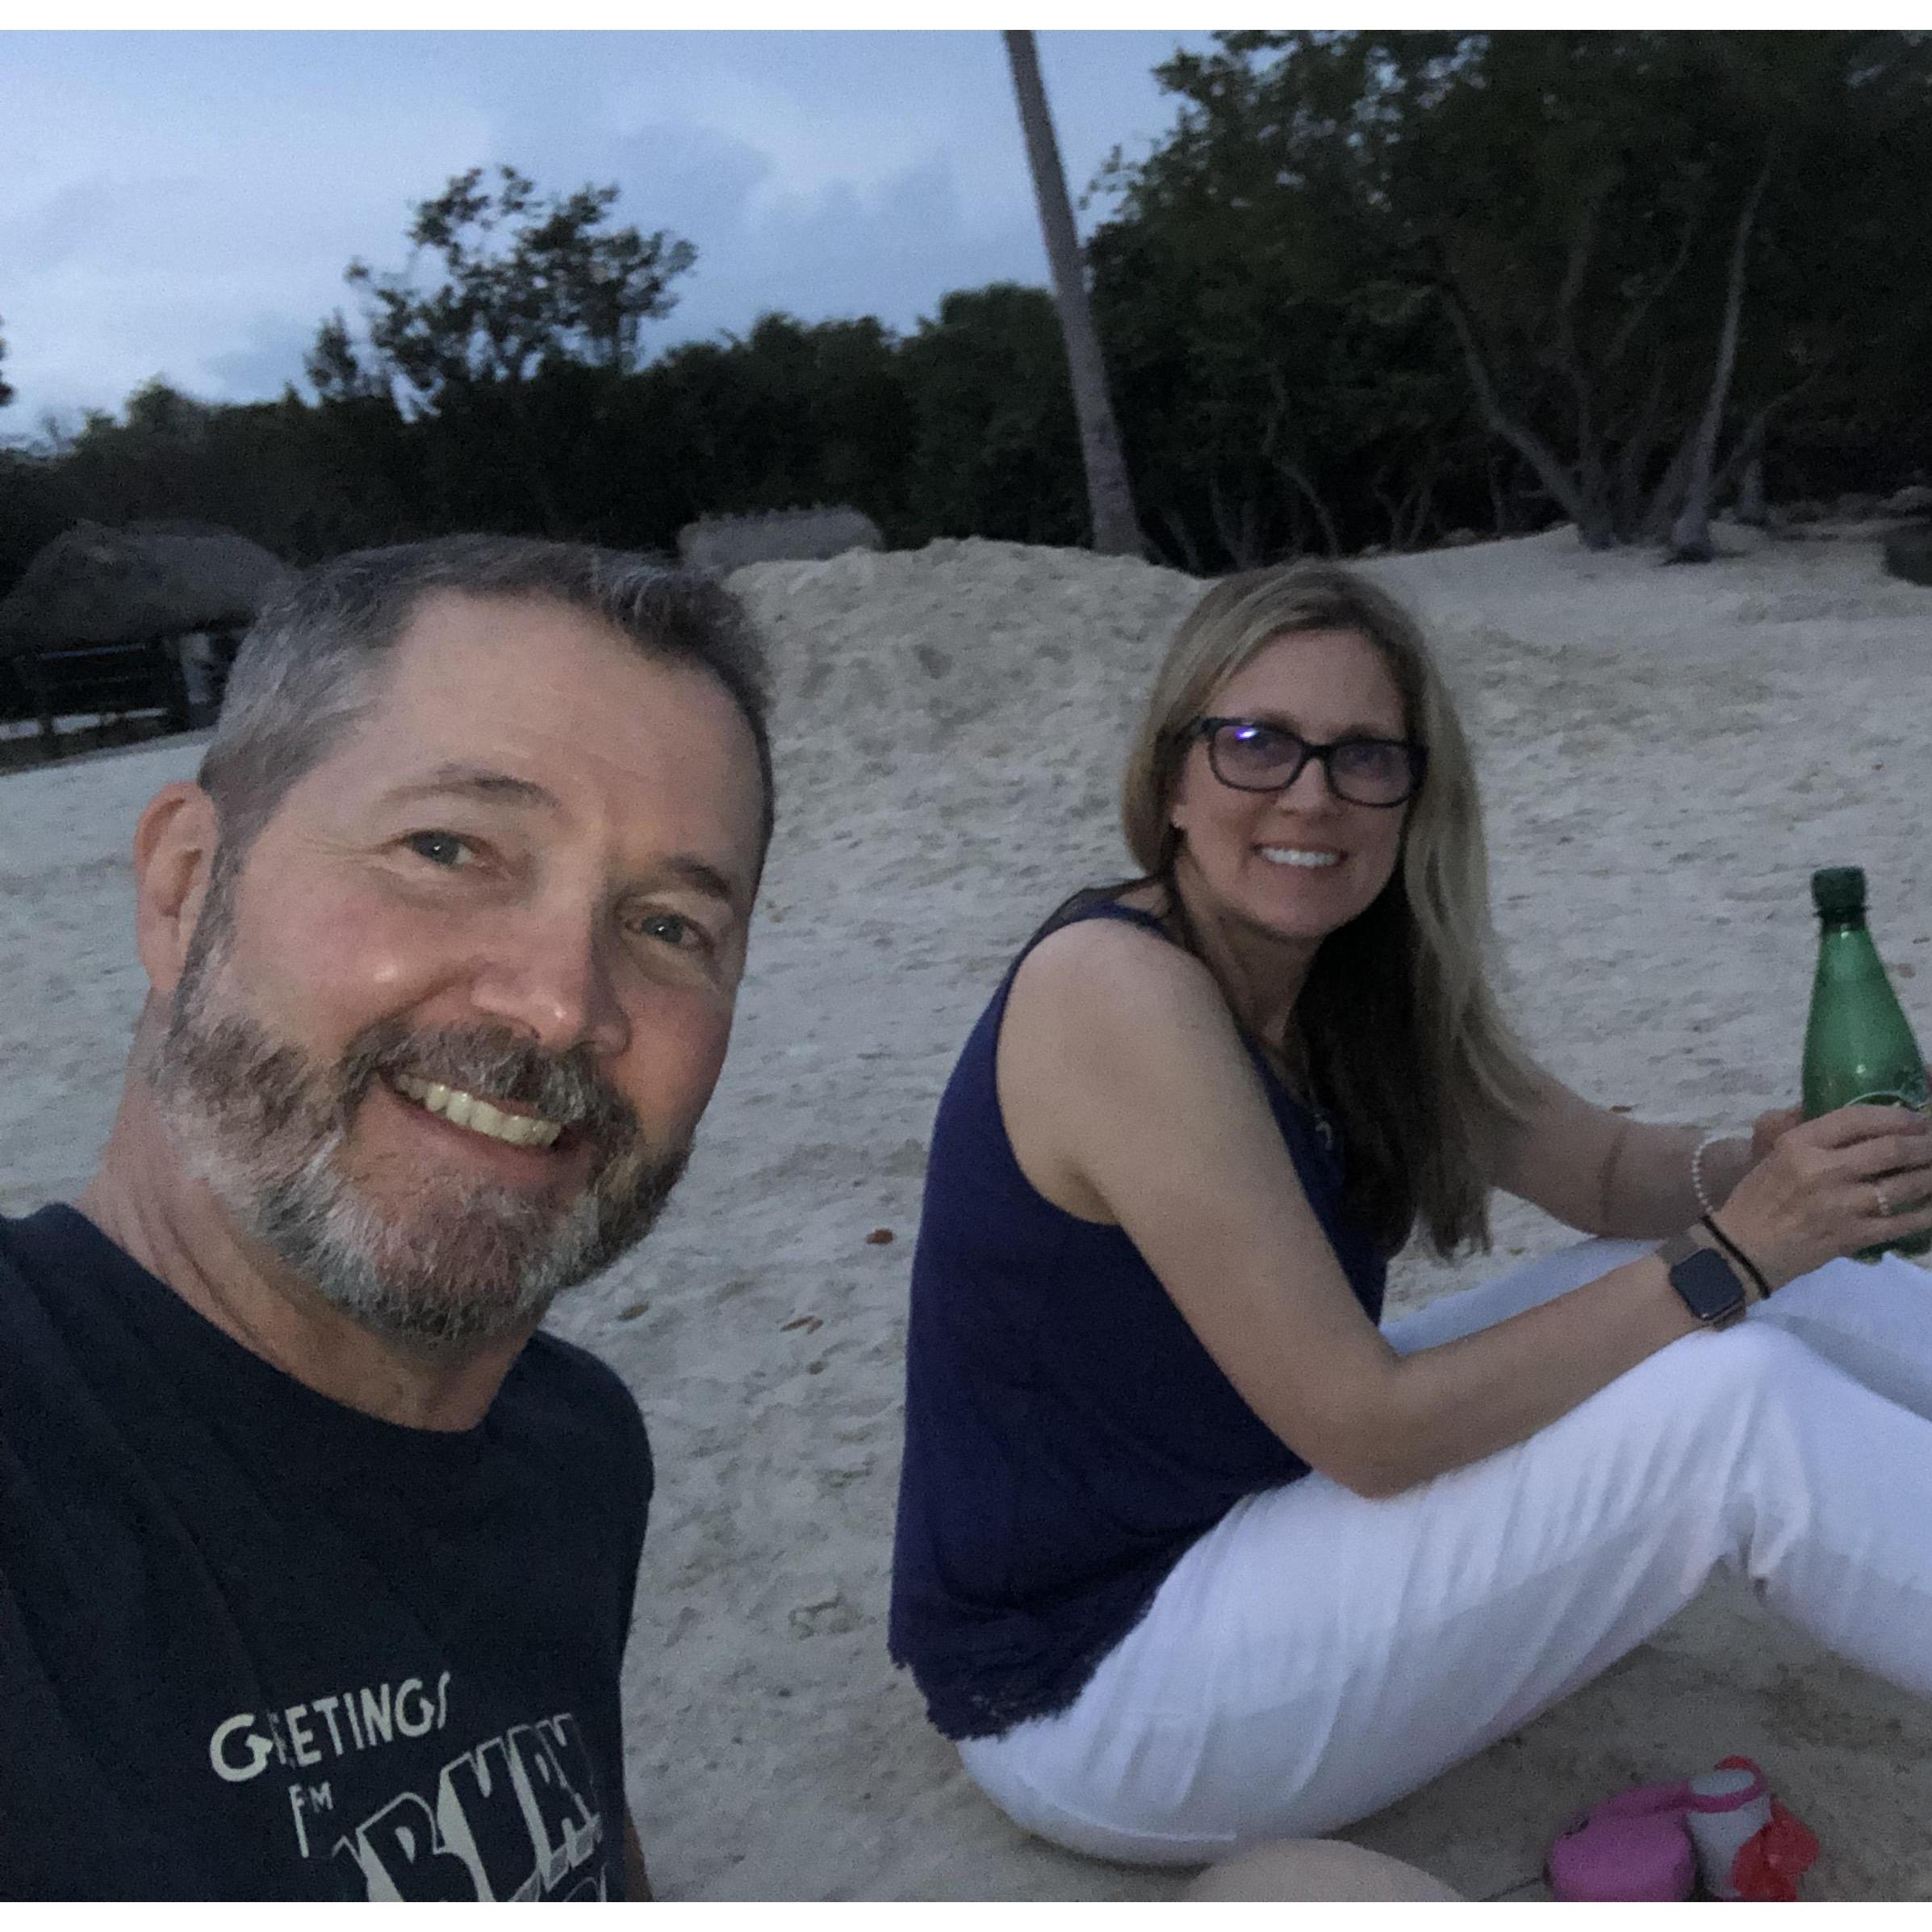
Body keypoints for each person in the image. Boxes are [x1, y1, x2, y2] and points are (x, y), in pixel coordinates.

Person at [888, 559, 1932, 1874]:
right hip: (1098, 1686)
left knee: (1785, 1274)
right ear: (1171, 777)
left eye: (1363, 755)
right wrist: (1738, 1251)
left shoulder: (1342, 982)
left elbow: (1605, 1174)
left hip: (1259, 1528)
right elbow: (1369, 1430)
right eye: (1256, 743)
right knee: (1731, 1399)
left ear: (1412, 792)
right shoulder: (1115, 991)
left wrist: (1774, 1171)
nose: (1311, 794)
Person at [0, 535, 774, 1901]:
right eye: (447, 847)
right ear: (185, 886)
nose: (561, 1003)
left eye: (666, 927)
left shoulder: (575, 1448)